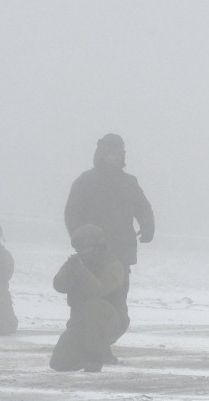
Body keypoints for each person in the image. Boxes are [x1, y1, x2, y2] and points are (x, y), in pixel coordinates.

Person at [64, 133, 154, 364]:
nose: (122, 156)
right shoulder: (85, 182)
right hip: (91, 257)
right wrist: (81, 242)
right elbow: (72, 214)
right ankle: (87, 347)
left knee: (117, 308)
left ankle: (97, 345)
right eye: (117, 152)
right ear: (105, 154)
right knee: (85, 304)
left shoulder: (128, 183)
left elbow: (143, 208)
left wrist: (148, 227)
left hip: (119, 257)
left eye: (122, 152)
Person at [50, 224, 129, 372]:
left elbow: (97, 291)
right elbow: (59, 286)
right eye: (78, 250)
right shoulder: (79, 263)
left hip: (111, 321)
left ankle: (94, 358)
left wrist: (81, 271)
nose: (81, 253)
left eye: (84, 249)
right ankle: (99, 353)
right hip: (81, 323)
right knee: (59, 363)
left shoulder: (113, 266)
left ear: (98, 247)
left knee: (94, 306)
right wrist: (68, 269)